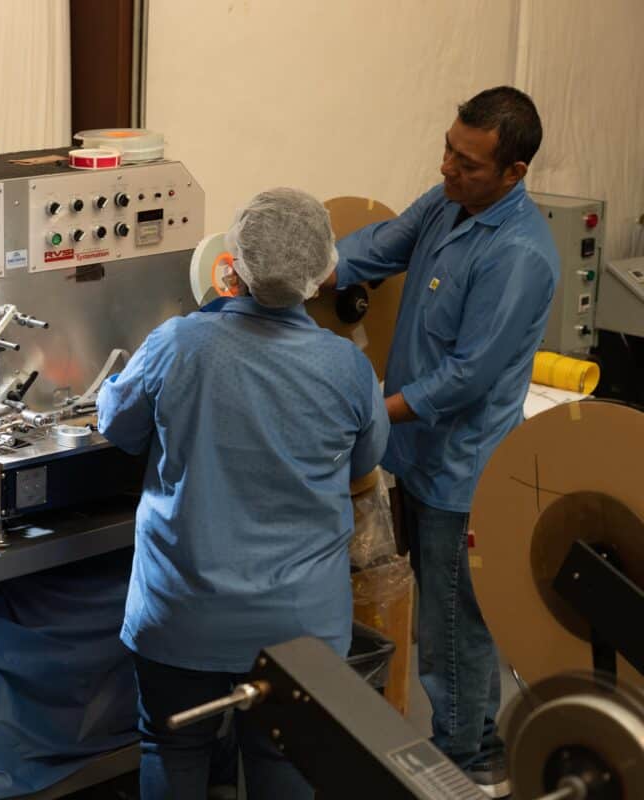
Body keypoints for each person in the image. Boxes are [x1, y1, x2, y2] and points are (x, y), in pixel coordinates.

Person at [97, 188, 389, 799]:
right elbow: (365, 460)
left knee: (171, 746)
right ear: (325, 273)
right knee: (285, 758)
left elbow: (117, 427)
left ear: (230, 264)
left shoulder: (178, 344)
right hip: (300, 628)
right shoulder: (348, 369)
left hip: (182, 615)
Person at [329, 86, 560, 797]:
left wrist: (367, 410)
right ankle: (470, 744)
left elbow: (463, 379)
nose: (447, 169)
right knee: (442, 616)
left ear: (514, 173)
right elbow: (378, 246)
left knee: (455, 628)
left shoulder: (520, 254)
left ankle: (468, 765)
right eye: (448, 152)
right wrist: (287, 273)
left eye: (468, 164)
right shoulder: (450, 202)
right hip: (418, 456)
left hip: (465, 471)